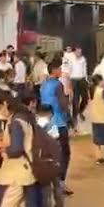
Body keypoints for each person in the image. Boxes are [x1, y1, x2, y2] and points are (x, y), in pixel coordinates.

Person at [40, 61, 72, 194]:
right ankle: (60, 181)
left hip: (46, 122)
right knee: (64, 153)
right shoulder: (58, 85)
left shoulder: (44, 85)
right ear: (54, 70)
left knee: (49, 153)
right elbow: (63, 104)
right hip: (58, 122)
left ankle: (48, 182)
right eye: (59, 69)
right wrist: (69, 116)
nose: (61, 71)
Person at [36, 105, 68, 207]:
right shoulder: (52, 125)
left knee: (45, 191)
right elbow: (55, 139)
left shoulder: (35, 126)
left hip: (41, 161)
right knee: (57, 187)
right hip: (53, 161)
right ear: (50, 114)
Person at [69, 47, 89, 125]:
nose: (79, 53)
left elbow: (85, 70)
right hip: (73, 80)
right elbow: (68, 70)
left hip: (82, 79)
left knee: (85, 98)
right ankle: (74, 117)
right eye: (77, 52)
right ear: (74, 52)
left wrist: (86, 80)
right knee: (75, 99)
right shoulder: (70, 59)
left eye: (80, 52)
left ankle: (80, 111)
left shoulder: (83, 59)